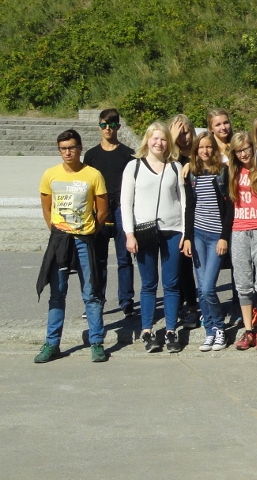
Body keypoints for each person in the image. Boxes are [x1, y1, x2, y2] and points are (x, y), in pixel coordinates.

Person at [35, 130, 109, 363]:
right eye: (63, 148)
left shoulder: (93, 174)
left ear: (80, 148)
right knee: (57, 293)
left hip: (84, 240)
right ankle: (52, 343)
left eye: (72, 147)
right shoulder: (50, 175)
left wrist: (90, 230)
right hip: (60, 241)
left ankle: (96, 342)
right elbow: (46, 207)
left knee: (92, 292)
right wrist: (56, 230)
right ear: (59, 150)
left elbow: (103, 209)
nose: (68, 152)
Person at [122, 122, 187, 354]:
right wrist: (129, 234)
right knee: (148, 284)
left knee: (171, 284)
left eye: (163, 139)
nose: (159, 143)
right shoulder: (134, 167)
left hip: (172, 231)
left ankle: (170, 330)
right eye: (155, 138)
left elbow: (184, 201)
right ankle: (147, 330)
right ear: (147, 140)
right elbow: (126, 203)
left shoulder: (175, 167)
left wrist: (185, 232)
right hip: (144, 231)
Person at [182, 131, 233, 353]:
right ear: (196, 149)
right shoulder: (191, 173)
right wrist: (187, 237)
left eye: (209, 146)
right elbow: (189, 206)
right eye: (201, 147)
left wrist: (224, 237)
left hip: (215, 236)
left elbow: (229, 206)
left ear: (214, 149)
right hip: (198, 234)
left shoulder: (222, 171)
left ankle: (220, 328)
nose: (205, 150)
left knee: (208, 287)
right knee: (201, 288)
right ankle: (210, 331)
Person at [83, 108, 136, 318]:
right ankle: (97, 300)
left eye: (112, 125)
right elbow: (85, 185)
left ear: (118, 127)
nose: (108, 129)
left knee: (124, 258)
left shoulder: (128, 154)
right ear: (99, 127)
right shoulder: (91, 155)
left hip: (122, 209)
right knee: (99, 260)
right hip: (99, 211)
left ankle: (127, 302)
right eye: (104, 125)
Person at [227, 132, 257, 351]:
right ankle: (248, 330)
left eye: (246, 149)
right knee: (243, 283)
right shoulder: (230, 171)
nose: (243, 154)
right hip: (239, 230)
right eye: (239, 151)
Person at [169, 113, 200, 329]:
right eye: (178, 134)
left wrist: (192, 162)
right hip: (180, 216)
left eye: (186, 132)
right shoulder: (172, 158)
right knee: (182, 264)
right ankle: (187, 305)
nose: (183, 137)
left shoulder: (201, 151)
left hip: (203, 213)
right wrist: (171, 140)